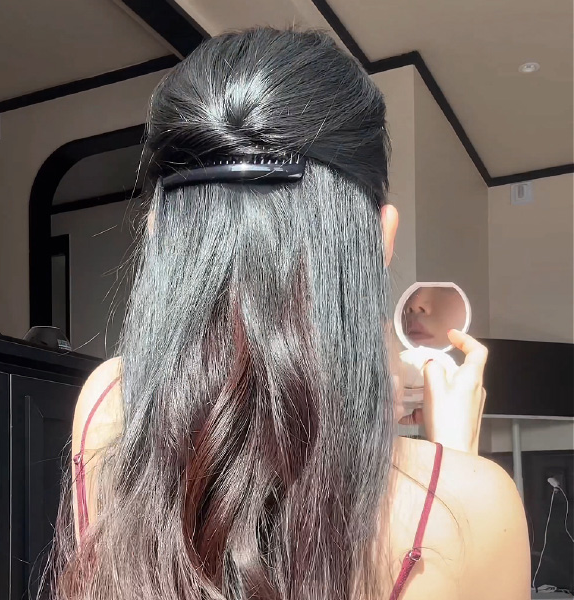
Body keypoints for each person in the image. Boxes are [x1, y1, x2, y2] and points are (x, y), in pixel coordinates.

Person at [50, 28, 530, 600]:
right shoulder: (476, 506)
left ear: (158, 231)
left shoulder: (103, 403)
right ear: (382, 239)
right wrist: (451, 467)